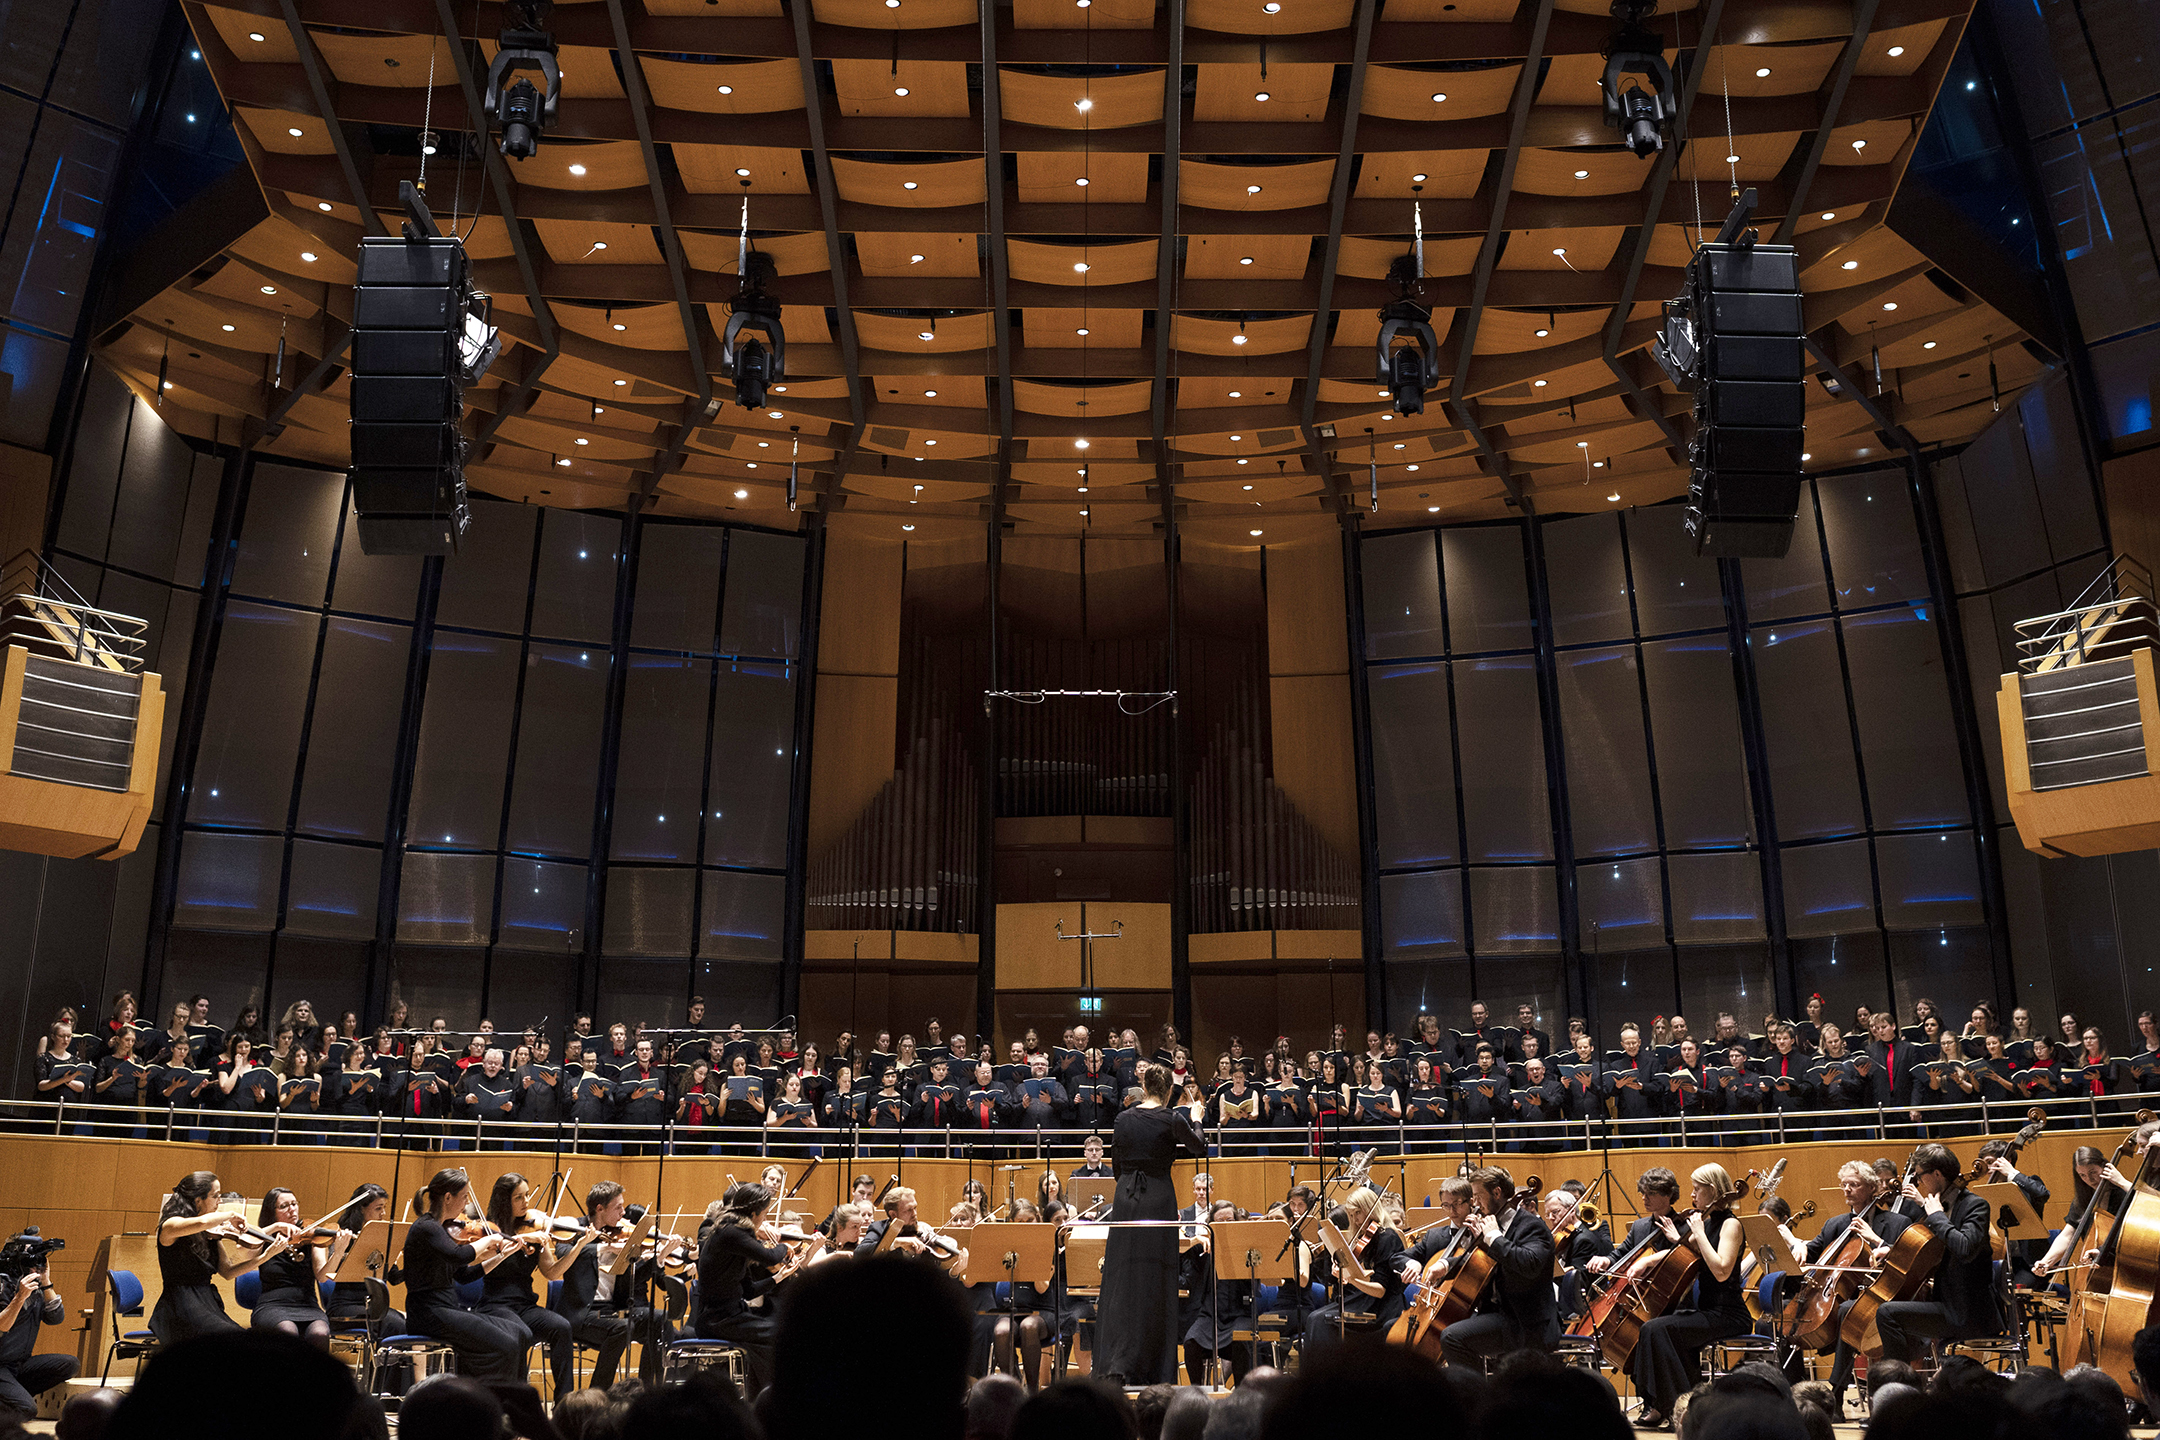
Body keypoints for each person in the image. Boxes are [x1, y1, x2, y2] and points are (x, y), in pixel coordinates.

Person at [1095, 1062, 1207, 1386]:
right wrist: (1197, 1117)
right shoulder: (1173, 1117)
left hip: (1126, 1198)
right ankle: (1154, 1369)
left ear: (1143, 1087)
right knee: (1157, 1279)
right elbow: (1199, 1146)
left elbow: (1116, 1165)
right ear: (1169, 1090)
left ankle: (1116, 1363)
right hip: (1159, 1197)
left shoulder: (1123, 1118)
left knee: (1122, 1278)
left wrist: (1129, 1187)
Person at [1626, 1164, 1748, 1429]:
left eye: (1697, 1189)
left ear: (1713, 1191)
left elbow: (1721, 1271)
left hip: (1728, 1313)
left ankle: (1678, 1411)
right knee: (1652, 1328)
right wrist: (1648, 1261)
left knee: (1659, 1330)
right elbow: (1685, 1253)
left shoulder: (1730, 1225)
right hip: (1706, 1311)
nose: (1692, 1195)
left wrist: (1699, 1233)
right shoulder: (1704, 1222)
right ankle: (1666, 1405)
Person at [1870, 1143, 2005, 1363]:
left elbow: (1965, 1248)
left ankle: (1901, 1382)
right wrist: (1893, 1251)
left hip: (1967, 1311)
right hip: (1946, 1303)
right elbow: (1924, 1250)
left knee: (1888, 1313)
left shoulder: (1974, 1205)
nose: (1919, 1183)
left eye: (1920, 1176)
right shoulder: (1939, 1206)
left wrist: (1936, 1217)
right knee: (1887, 1311)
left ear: (1937, 1174)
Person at [402, 1167, 527, 1380]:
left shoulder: (441, 1230)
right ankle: (489, 1401)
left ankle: (511, 1400)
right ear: (448, 1197)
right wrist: (489, 1240)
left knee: (519, 1333)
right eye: (464, 1196)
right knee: (506, 1345)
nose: (467, 1203)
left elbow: (464, 1275)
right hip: (427, 1313)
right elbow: (459, 1255)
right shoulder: (427, 1227)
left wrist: (501, 1256)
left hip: (445, 1309)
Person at [479, 1172, 595, 1397]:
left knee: (561, 1327)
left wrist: (579, 1246)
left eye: (527, 1195)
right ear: (505, 1201)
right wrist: (521, 1240)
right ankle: (519, 1400)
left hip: (525, 1306)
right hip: (495, 1306)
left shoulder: (535, 1229)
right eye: (518, 1198)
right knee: (521, 1334)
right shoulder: (490, 1230)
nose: (526, 1203)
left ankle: (564, 1403)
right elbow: (484, 1257)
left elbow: (552, 1273)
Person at [151, 1171, 295, 1344]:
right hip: (179, 1307)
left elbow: (228, 1272)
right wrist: (231, 1215)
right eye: (215, 1195)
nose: (220, 1201)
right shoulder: (170, 1226)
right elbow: (201, 1222)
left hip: (207, 1304)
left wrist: (266, 1256)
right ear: (198, 1200)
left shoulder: (211, 1234)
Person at [1438, 1166, 1558, 1368]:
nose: (1474, 1203)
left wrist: (1494, 1238)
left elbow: (1529, 1264)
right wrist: (1444, 1265)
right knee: (1445, 1325)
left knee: (1452, 1337)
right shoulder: (1493, 1224)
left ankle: (1476, 1395)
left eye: (1477, 1196)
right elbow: (1478, 1261)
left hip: (1524, 1321)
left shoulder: (1530, 1226)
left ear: (1497, 1192)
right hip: (1498, 1314)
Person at [559, 1180, 671, 1387]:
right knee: (620, 1328)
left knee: (660, 1319)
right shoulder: (574, 1228)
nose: (623, 1213)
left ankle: (646, 1391)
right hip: (582, 1314)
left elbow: (634, 1279)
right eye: (618, 1207)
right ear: (600, 1209)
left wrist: (659, 1258)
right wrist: (603, 1249)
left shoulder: (622, 1234)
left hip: (612, 1310)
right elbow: (562, 1253)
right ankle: (599, 1394)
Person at [696, 1180, 791, 1395]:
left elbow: (748, 1290)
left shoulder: (733, 1235)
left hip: (731, 1315)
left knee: (766, 1343)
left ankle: (761, 1397)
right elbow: (769, 1256)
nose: (765, 1219)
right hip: (717, 1319)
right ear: (755, 1212)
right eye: (765, 1214)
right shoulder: (731, 1232)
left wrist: (777, 1278)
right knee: (779, 1334)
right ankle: (773, 1397)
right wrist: (785, 1245)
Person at [1305, 1185, 1405, 1355]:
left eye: (1358, 1212)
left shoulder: (1388, 1238)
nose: (1355, 1220)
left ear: (1370, 1208)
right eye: (1351, 1215)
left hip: (1382, 1305)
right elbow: (1363, 1277)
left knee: (1319, 1319)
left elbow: (1380, 1290)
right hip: (1363, 1298)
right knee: (1314, 1317)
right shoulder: (1363, 1238)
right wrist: (1341, 1272)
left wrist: (1350, 1278)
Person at [248, 1187, 353, 1347]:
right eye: (284, 1206)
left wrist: (338, 1252)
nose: (292, 1209)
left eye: (294, 1204)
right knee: (287, 1331)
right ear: (271, 1212)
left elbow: (322, 1276)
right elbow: (244, 1248)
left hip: (307, 1305)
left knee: (320, 1333)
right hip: (272, 1305)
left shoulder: (312, 1236)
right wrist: (275, 1227)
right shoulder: (263, 1239)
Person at [326, 1183, 404, 1337]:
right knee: (392, 1322)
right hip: (345, 1305)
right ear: (361, 1208)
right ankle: (385, 1361)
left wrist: (415, 1262)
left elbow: (394, 1278)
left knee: (402, 1320)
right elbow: (332, 1272)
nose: (383, 1213)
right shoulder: (344, 1234)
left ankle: (391, 1361)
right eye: (378, 1208)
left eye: (384, 1208)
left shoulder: (381, 1238)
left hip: (372, 1306)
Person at [0, 1258, 72, 1422]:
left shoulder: (38, 1288)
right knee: (26, 1409)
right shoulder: (4, 1285)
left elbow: (56, 1319)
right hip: (0, 1365)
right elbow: (1, 1326)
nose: (37, 1266)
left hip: (20, 1363)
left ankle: (13, 1392)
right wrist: (20, 1297)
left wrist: (46, 1282)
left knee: (69, 1363)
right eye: (32, 1261)